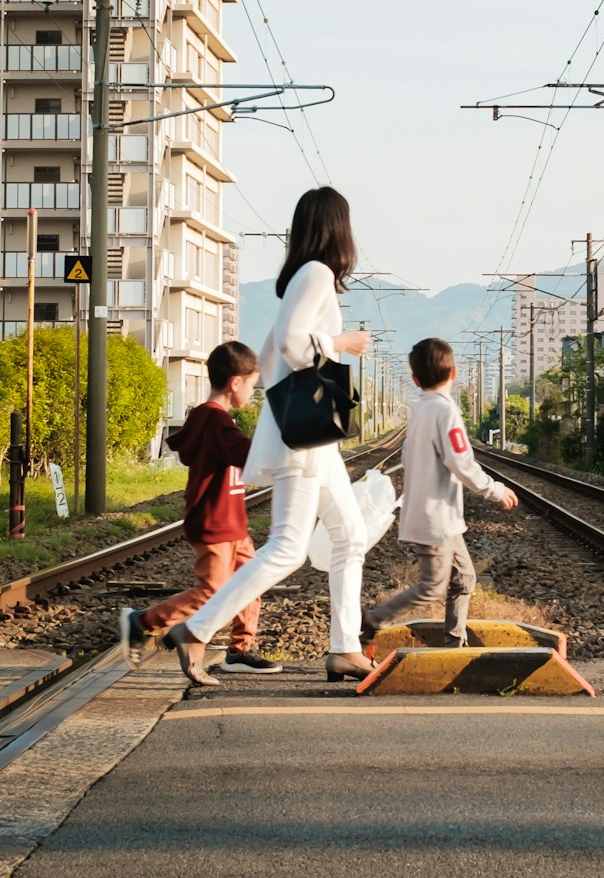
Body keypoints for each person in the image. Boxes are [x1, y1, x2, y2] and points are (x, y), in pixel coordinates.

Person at [165, 188, 373, 687]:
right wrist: (344, 343)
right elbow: (290, 342)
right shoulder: (318, 273)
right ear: (338, 228)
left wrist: (262, 390)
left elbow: (268, 349)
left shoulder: (302, 277)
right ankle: (197, 629)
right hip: (304, 443)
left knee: (351, 535)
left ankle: (344, 648)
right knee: (286, 548)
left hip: (311, 441)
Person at [119, 341, 281, 682]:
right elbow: (246, 455)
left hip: (231, 522)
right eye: (253, 385)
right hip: (214, 523)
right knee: (211, 592)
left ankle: (239, 650)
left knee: (252, 581)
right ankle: (143, 622)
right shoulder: (214, 421)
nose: (253, 392)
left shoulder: (211, 419)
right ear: (236, 383)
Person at [361, 337, 518, 649]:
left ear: (416, 380)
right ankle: (372, 620)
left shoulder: (419, 411)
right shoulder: (446, 412)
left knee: (465, 578)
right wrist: (495, 490)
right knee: (433, 587)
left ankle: (454, 640)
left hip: (434, 515)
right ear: (454, 373)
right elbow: (461, 462)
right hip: (437, 519)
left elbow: (408, 457)